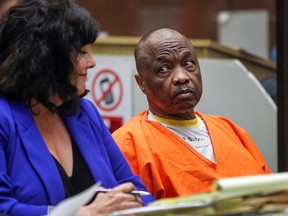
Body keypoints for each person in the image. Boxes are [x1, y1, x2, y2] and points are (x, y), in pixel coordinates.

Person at [0, 0, 155, 215]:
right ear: (46, 59)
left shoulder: (84, 112)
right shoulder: (4, 118)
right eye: (83, 53)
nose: (92, 62)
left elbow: (133, 188)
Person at [112, 28, 272, 200]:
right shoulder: (128, 143)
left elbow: (273, 198)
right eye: (164, 68)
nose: (181, 77)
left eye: (188, 64)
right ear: (142, 83)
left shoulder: (230, 129)